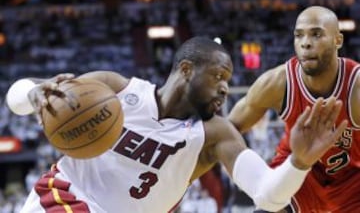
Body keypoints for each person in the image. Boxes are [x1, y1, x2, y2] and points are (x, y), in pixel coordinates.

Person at [6, 37, 346, 213]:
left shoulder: (215, 135)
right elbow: (16, 96)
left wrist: (299, 161)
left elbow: (268, 196)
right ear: (186, 70)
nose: (225, 88)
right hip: (64, 199)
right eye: (218, 76)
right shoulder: (116, 89)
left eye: (228, 80)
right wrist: (35, 92)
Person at [228, 6, 360, 213]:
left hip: (352, 184)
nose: (306, 43)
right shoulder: (278, 83)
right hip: (298, 174)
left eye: (316, 34)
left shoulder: (356, 88)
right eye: (299, 35)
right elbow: (226, 131)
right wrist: (251, 174)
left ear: (338, 40)